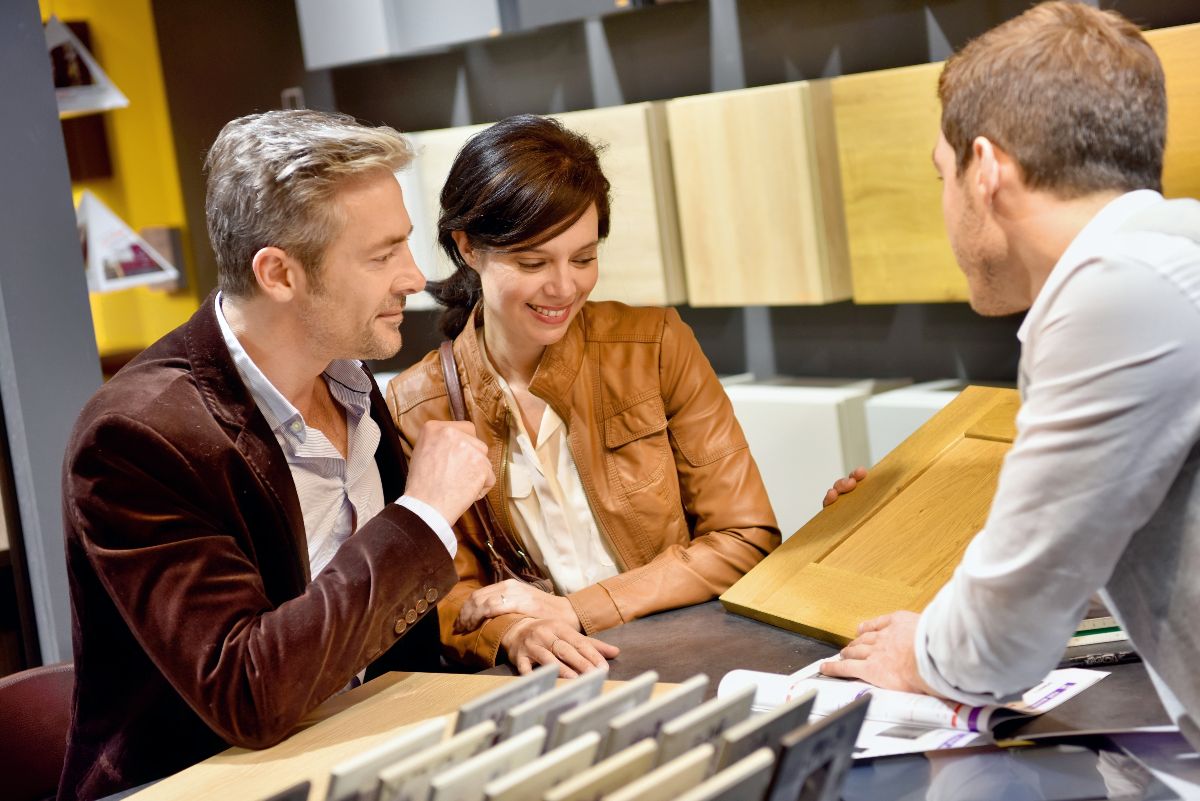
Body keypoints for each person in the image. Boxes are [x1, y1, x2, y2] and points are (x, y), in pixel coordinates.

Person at [59, 110, 495, 801]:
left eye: (405, 245)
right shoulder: (135, 438)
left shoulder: (346, 380)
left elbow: (360, 626)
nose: (415, 277)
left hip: (357, 751)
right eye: (382, 255)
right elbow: (248, 691)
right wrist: (422, 516)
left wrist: (488, 617)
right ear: (279, 273)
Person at [821, 2, 1200, 749]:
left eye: (942, 173)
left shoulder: (1113, 293)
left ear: (986, 169)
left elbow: (997, 647)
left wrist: (917, 650)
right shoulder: (1169, 249)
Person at [388, 115, 863, 676]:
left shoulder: (655, 345)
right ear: (468, 247)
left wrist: (574, 610)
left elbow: (744, 538)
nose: (564, 287)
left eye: (584, 258)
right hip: (554, 680)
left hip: (697, 650)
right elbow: (441, 597)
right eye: (533, 262)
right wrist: (514, 630)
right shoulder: (416, 404)